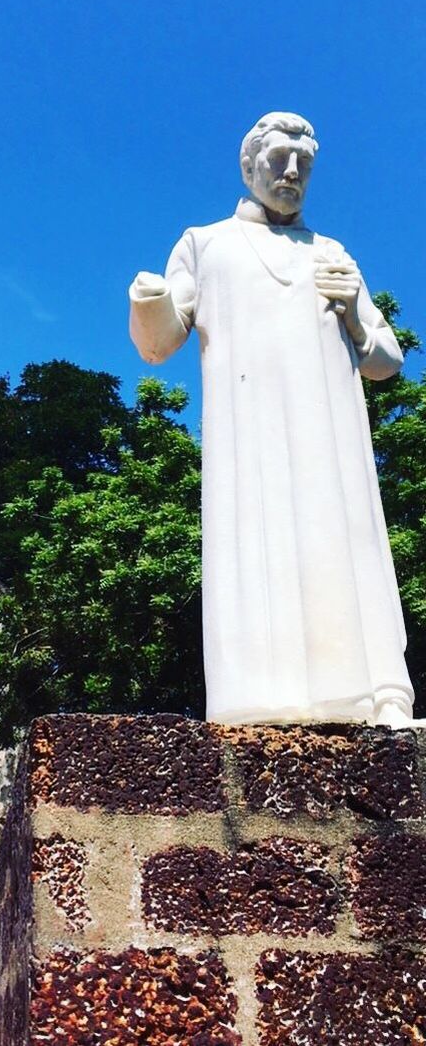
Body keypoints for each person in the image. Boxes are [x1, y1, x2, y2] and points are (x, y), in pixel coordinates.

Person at [129, 111, 415, 728]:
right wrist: (148, 299)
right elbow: (159, 342)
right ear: (249, 164)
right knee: (258, 543)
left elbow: (386, 360)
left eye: (304, 164)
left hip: (330, 429)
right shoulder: (205, 244)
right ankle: (260, 696)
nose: (291, 172)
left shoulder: (332, 253)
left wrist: (356, 316)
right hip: (249, 431)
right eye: (280, 159)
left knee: (341, 540)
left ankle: (374, 693)